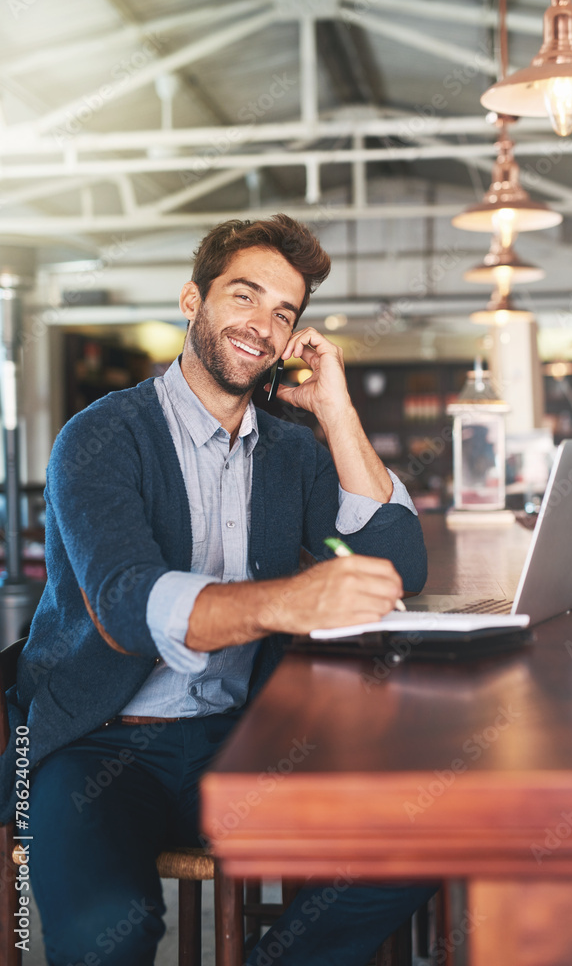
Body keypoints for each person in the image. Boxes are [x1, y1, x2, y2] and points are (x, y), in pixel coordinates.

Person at [1, 214, 436, 965]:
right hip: (100, 744)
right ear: (191, 300)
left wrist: (335, 411)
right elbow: (125, 607)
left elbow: (398, 563)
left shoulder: (290, 452)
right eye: (243, 296)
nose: (262, 326)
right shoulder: (100, 437)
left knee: (415, 843)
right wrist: (288, 602)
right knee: (113, 929)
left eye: (283, 313)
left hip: (243, 743)